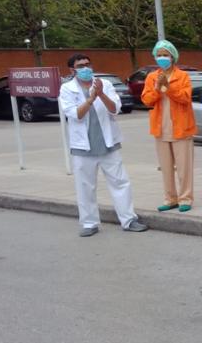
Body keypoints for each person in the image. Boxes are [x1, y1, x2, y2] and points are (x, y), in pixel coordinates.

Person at [59, 54, 148, 236]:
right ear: (72, 70)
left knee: (120, 182)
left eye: (87, 64)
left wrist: (100, 94)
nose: (86, 68)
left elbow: (115, 108)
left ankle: (128, 219)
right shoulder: (67, 89)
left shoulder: (105, 85)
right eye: (80, 66)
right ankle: (89, 223)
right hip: (83, 147)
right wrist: (91, 99)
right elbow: (75, 114)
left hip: (108, 143)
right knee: (85, 187)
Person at [141, 40, 196, 212]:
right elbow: (146, 100)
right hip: (160, 128)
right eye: (159, 55)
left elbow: (185, 98)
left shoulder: (183, 76)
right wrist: (157, 88)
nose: (162, 58)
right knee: (165, 167)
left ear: (172, 57)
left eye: (165, 55)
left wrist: (168, 87)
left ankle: (185, 198)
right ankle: (170, 198)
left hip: (181, 128)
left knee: (184, 167)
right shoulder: (151, 77)